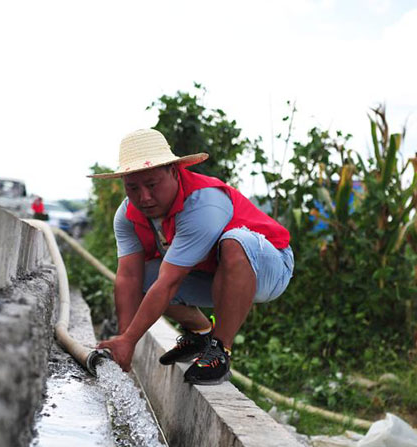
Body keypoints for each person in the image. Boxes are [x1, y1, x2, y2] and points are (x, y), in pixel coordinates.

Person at [94, 129, 294, 385]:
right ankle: (199, 332)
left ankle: (220, 350)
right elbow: (128, 277)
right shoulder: (128, 215)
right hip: (215, 276)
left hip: (269, 269)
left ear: (174, 173)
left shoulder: (203, 202)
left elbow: (169, 283)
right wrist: (124, 341)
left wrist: (131, 339)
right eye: (133, 188)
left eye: (152, 185)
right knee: (144, 275)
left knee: (234, 242)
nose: (144, 197)